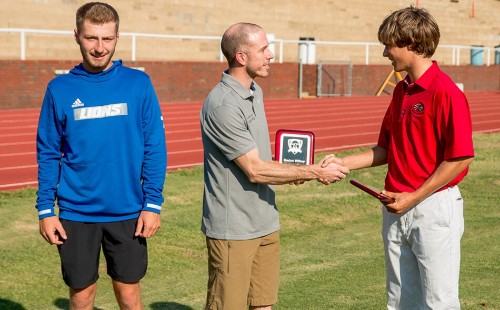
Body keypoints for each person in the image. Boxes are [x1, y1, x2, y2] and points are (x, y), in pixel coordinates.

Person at [321, 6, 474, 309]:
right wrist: (343, 163)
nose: (384, 54)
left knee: (438, 303)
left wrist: (414, 197)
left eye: (389, 45)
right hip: (395, 207)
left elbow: (459, 159)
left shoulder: (446, 93)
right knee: (400, 302)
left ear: (412, 44)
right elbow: (386, 150)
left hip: (432, 208)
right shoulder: (400, 92)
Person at [200, 22, 349, 310]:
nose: (272, 54)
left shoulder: (255, 90)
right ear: (241, 57)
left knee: (263, 304)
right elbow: (255, 169)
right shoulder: (222, 105)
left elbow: (260, 158)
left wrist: (289, 172)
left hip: (265, 220)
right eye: (264, 49)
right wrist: (314, 171)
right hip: (234, 229)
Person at [35, 2, 167, 309]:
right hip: (75, 214)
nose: (99, 47)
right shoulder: (59, 89)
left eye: (107, 39)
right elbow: (49, 152)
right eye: (91, 38)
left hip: (128, 211)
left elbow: (155, 147)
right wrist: (45, 210)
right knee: (82, 297)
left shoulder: (139, 84)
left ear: (117, 37)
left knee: (130, 294)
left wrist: (152, 203)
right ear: (77, 36)